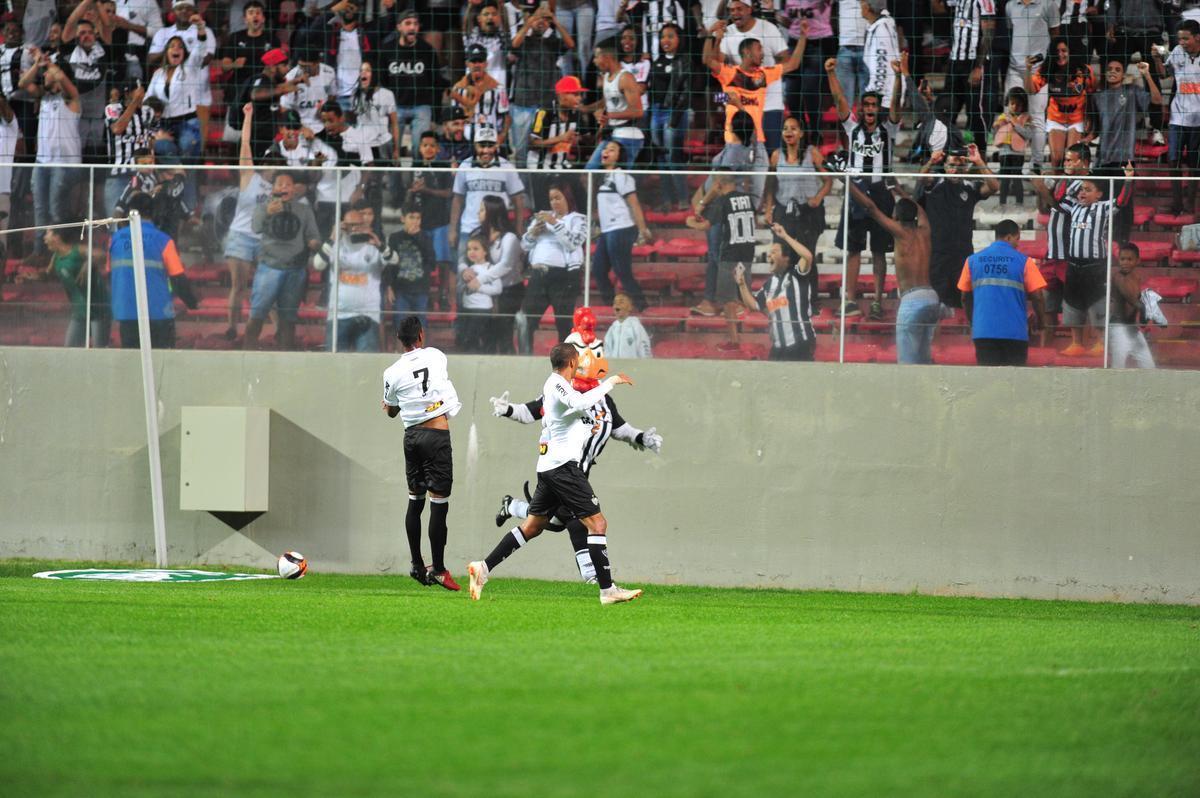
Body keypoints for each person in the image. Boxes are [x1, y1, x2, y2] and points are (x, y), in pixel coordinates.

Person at [467, 343, 642, 605]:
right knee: (598, 524)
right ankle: (607, 590)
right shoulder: (556, 384)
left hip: (551, 467)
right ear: (571, 362)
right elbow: (578, 402)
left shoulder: (560, 388)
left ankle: (483, 568)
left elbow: (570, 416)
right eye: (578, 361)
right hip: (563, 468)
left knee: (533, 526)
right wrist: (611, 382)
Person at [490, 335, 663, 582]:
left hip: (576, 470)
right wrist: (508, 409)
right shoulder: (562, 390)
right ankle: (595, 578)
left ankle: (509, 514)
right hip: (561, 468)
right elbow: (532, 411)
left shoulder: (603, 400)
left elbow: (618, 428)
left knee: (548, 522)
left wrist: (641, 437)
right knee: (577, 520)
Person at [381, 315, 463, 590]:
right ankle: (438, 568)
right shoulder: (436, 356)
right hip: (436, 435)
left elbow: (391, 411)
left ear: (399, 340)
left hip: (411, 436)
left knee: (415, 502)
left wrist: (394, 404)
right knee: (439, 505)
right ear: (421, 335)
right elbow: (437, 382)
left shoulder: (391, 373)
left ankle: (416, 563)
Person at [824, 53, 902, 319]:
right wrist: (831, 74)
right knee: (854, 248)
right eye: (866, 104)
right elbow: (839, 100)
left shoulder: (888, 129)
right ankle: (850, 300)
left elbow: (896, 107)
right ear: (862, 108)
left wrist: (899, 76)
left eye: (873, 105)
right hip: (857, 191)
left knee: (879, 250)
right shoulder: (852, 127)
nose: (870, 109)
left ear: (878, 109)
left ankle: (878, 301)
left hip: (881, 193)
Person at [1032, 162, 1135, 355]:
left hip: (1095, 266)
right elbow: (1058, 198)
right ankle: (1076, 343)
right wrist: (1066, 174)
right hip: (1073, 265)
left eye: (1088, 190)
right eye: (1081, 189)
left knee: (1096, 302)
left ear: (1099, 194)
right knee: (1073, 302)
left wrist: (1128, 180)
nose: (1082, 193)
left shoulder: (1103, 208)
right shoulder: (1074, 208)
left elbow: (1121, 201)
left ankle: (1099, 342)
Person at [848, 181, 941, 364]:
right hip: (932, 298)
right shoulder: (925, 230)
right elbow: (919, 210)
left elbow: (870, 207)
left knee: (907, 363)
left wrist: (848, 183)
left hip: (912, 300)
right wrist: (898, 189)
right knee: (924, 361)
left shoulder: (900, 232)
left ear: (896, 215)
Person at [705, 19, 807, 171]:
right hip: (735, 140)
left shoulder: (764, 75)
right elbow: (707, 61)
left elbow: (793, 64)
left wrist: (803, 36)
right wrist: (710, 35)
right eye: (759, 49)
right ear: (747, 53)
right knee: (728, 186)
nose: (763, 53)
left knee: (758, 189)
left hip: (758, 141)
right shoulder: (729, 73)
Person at [108, 191, 198, 348]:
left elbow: (110, 273)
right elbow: (178, 279)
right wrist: (192, 302)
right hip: (158, 314)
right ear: (154, 213)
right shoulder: (163, 240)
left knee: (133, 364)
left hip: (125, 313)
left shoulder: (115, 240)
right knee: (162, 365)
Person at [917, 143, 999, 312]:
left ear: (966, 168)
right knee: (937, 302)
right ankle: (937, 337)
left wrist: (979, 161)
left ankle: (963, 335)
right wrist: (931, 162)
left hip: (963, 253)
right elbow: (921, 178)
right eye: (951, 165)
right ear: (945, 166)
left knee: (963, 300)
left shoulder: (970, 187)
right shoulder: (936, 183)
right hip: (938, 253)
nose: (955, 169)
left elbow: (994, 186)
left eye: (959, 166)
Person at [245, 170, 321, 350]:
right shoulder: (263, 206)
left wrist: (314, 244)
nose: (284, 187)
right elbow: (255, 227)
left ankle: (285, 356)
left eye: (288, 184)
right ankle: (247, 355)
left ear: (294, 189)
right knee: (257, 313)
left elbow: (314, 236)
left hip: (295, 269)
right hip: (269, 267)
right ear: (273, 188)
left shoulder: (304, 210)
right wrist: (267, 213)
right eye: (279, 184)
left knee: (288, 317)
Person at [958, 219, 1050, 366]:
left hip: (983, 332)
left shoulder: (972, 261)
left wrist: (973, 322)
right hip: (1015, 332)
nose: (1017, 244)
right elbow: (1038, 297)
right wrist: (1041, 323)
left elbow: (965, 297)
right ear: (1008, 237)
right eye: (1017, 239)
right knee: (1014, 383)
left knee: (988, 383)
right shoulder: (1024, 262)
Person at [687, 168, 757, 350]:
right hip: (747, 251)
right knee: (744, 293)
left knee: (727, 300)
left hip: (730, 253)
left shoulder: (722, 202)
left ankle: (734, 341)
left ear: (718, 184)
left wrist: (690, 222)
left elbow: (705, 226)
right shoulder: (748, 199)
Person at [764, 115, 832, 302]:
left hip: (808, 212)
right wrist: (768, 208)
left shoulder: (813, 153)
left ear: (801, 133)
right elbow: (769, 184)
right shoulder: (777, 155)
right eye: (785, 128)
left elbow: (828, 180)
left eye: (793, 128)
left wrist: (818, 198)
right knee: (781, 255)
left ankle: (811, 301)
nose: (788, 132)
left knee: (806, 254)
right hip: (783, 210)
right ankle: (782, 298)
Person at [19, 52, 81, 254]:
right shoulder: (44, 97)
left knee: (56, 210)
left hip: (64, 164)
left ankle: (58, 255)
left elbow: (64, 80)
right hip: (42, 162)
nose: (44, 75)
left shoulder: (71, 98)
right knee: (40, 209)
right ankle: (39, 253)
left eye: (46, 73)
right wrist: (37, 64)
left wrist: (51, 64)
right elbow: (22, 83)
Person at [713, 0, 794, 153]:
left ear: (749, 9)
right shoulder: (728, 33)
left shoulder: (768, 29)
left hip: (770, 104)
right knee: (739, 156)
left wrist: (765, 74)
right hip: (741, 109)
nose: (735, 13)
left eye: (739, 9)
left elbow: (786, 59)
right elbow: (716, 65)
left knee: (772, 154)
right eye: (732, 10)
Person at [222, 105, 275, 341]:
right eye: (268, 162)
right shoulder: (249, 176)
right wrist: (248, 116)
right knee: (238, 285)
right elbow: (245, 144)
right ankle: (231, 327)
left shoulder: (279, 188)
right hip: (241, 236)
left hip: (263, 240)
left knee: (265, 287)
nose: (271, 166)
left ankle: (277, 328)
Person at [518, 180, 588, 351]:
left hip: (564, 277)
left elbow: (573, 243)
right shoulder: (542, 216)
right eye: (551, 199)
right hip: (538, 275)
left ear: (568, 198)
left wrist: (555, 224)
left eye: (558, 198)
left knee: (564, 323)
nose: (554, 203)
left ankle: (563, 364)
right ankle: (524, 357)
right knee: (525, 320)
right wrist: (533, 233)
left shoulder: (579, 220)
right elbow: (524, 246)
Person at [314, 206, 396, 352]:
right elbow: (318, 264)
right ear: (343, 225)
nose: (354, 229)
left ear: (364, 224)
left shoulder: (374, 246)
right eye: (349, 225)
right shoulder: (335, 245)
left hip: (367, 314)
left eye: (358, 225)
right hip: (338, 314)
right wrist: (333, 237)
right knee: (335, 365)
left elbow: (394, 260)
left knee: (366, 366)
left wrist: (380, 245)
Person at [734, 222, 817, 360]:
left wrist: (784, 236)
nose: (769, 255)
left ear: (786, 258)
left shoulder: (797, 275)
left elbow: (807, 256)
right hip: (778, 347)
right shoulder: (769, 284)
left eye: (774, 252)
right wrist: (742, 284)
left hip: (800, 344)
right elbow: (754, 306)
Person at [372, 8, 442, 162]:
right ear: (399, 27)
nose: (412, 27)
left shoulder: (427, 50)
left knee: (420, 147)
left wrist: (436, 115)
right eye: (408, 23)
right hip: (395, 106)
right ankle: (393, 182)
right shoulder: (387, 50)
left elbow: (436, 82)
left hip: (421, 105)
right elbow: (381, 81)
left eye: (415, 24)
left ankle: (418, 181)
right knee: (389, 147)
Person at [508, 5, 573, 168]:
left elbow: (570, 44)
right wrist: (529, 23)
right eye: (537, 18)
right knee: (520, 150)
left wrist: (555, 21)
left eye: (544, 19)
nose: (540, 22)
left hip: (546, 104)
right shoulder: (524, 41)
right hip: (523, 103)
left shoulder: (552, 42)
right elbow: (514, 45)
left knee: (542, 147)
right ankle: (520, 188)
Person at [449, 126, 528, 258]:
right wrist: (452, 229)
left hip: (498, 231)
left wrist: (519, 228)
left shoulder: (507, 167)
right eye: (482, 146)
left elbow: (518, 200)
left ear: (497, 145)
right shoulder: (465, 166)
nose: (486, 150)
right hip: (469, 229)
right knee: (465, 273)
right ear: (475, 145)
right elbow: (457, 200)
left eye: (490, 145)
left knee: (497, 275)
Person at [593, 140, 653, 310]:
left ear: (619, 157)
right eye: (605, 149)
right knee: (598, 270)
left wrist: (642, 230)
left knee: (622, 272)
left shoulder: (621, 176)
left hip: (621, 229)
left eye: (612, 150)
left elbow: (634, 204)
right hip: (607, 231)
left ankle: (642, 308)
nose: (606, 151)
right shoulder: (601, 177)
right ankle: (614, 307)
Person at [147, 2, 214, 152]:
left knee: (187, 146)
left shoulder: (190, 67)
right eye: (172, 46)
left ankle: (184, 174)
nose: (176, 49)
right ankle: (177, 173)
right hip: (163, 123)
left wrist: (201, 28)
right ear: (166, 52)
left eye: (180, 47)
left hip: (187, 122)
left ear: (184, 53)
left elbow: (201, 49)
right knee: (162, 148)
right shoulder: (158, 74)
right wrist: (155, 112)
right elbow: (148, 99)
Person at [1004, 0, 1057, 174]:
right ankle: (1010, 163)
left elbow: (1055, 34)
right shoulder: (1011, 6)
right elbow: (1011, 32)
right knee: (1008, 114)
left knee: (1037, 117)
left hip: (1037, 70)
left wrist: (1047, 64)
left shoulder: (1048, 5)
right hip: (1014, 69)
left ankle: (1037, 164)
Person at [1152, 21, 1200, 214]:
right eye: (1180, 38)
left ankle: (1190, 201)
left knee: (1195, 163)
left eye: (1186, 38)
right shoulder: (1178, 51)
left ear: (1198, 37)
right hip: (1178, 117)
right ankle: (1177, 202)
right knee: (1173, 160)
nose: (1182, 42)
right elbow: (1164, 74)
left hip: (1198, 120)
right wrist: (1156, 59)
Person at [1025, 37, 1095, 169]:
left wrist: (1089, 118)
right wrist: (1028, 69)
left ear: (1071, 52)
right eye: (1057, 51)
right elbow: (1031, 89)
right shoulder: (1047, 69)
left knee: (1072, 160)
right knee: (1057, 160)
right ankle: (1058, 188)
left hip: (1077, 118)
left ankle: (1069, 188)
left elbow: (1092, 94)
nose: (1060, 54)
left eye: (1064, 51)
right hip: (1056, 117)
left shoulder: (1085, 70)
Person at [933, 0, 995, 149]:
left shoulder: (984, 1)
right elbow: (938, 7)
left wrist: (979, 66)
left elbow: (989, 32)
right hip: (955, 61)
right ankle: (944, 152)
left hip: (973, 62)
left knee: (975, 112)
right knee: (946, 110)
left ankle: (979, 156)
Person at [647, 23, 693, 210]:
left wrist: (674, 118)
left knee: (673, 157)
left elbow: (686, 93)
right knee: (661, 158)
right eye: (663, 37)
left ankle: (683, 199)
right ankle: (666, 200)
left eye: (670, 36)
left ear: (679, 39)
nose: (666, 40)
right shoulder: (657, 61)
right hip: (656, 113)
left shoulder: (685, 60)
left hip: (674, 113)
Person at [44, 227, 110, 347]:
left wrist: (88, 263)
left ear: (57, 237)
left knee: (99, 351)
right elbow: (47, 274)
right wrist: (31, 276)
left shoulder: (78, 250)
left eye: (47, 234)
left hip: (98, 311)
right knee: (69, 348)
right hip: (79, 313)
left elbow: (101, 255)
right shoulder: (56, 257)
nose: (44, 238)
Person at [527, 75, 586, 209]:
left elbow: (585, 138)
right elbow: (532, 144)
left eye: (580, 94)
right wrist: (561, 138)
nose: (579, 98)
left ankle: (584, 222)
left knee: (581, 194)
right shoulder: (544, 112)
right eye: (576, 94)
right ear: (562, 95)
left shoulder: (575, 114)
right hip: (541, 167)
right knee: (544, 207)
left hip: (562, 164)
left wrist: (599, 127)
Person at [583, 41, 645, 167]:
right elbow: (608, 101)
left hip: (628, 136)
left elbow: (638, 111)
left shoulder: (626, 78)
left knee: (618, 177)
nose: (594, 61)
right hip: (612, 134)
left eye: (596, 57)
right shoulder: (606, 77)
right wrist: (585, 109)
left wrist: (608, 116)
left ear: (607, 57)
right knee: (590, 171)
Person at [385, 200, 437, 335]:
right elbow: (390, 264)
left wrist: (419, 238)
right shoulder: (395, 238)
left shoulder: (426, 237)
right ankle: (400, 353)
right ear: (403, 219)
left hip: (421, 288)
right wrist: (390, 286)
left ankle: (421, 353)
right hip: (401, 288)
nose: (415, 221)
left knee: (421, 324)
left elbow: (432, 263)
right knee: (400, 323)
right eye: (411, 217)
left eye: (418, 218)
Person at [1107, 242, 1156, 368]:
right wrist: (1144, 309)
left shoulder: (1136, 277)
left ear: (1137, 261)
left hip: (1132, 328)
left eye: (1129, 259)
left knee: (1149, 367)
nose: (1125, 262)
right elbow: (1131, 299)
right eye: (1122, 259)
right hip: (1118, 328)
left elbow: (1138, 301)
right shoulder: (1118, 277)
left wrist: (1144, 314)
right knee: (1118, 369)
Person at [456, 233, 503, 352]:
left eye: (476, 249)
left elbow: (498, 289)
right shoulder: (467, 269)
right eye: (469, 249)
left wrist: (479, 288)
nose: (471, 252)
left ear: (485, 251)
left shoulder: (491, 269)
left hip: (482, 310)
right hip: (467, 309)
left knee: (481, 341)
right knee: (469, 342)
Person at [993, 87, 1032, 204]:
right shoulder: (1002, 117)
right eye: (1012, 103)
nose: (1015, 107)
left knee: (1016, 179)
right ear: (1007, 103)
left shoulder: (1027, 118)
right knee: (1004, 180)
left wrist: (1016, 124)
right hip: (1004, 153)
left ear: (1024, 105)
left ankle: (1019, 203)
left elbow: (1028, 135)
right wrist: (996, 127)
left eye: (1018, 104)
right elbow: (996, 134)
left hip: (1018, 154)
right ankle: (1002, 203)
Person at [604, 292, 653, 357]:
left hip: (632, 366)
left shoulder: (636, 327)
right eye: (615, 303)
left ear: (630, 307)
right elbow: (607, 351)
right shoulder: (612, 329)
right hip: (615, 366)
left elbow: (645, 350)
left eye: (621, 302)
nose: (617, 305)